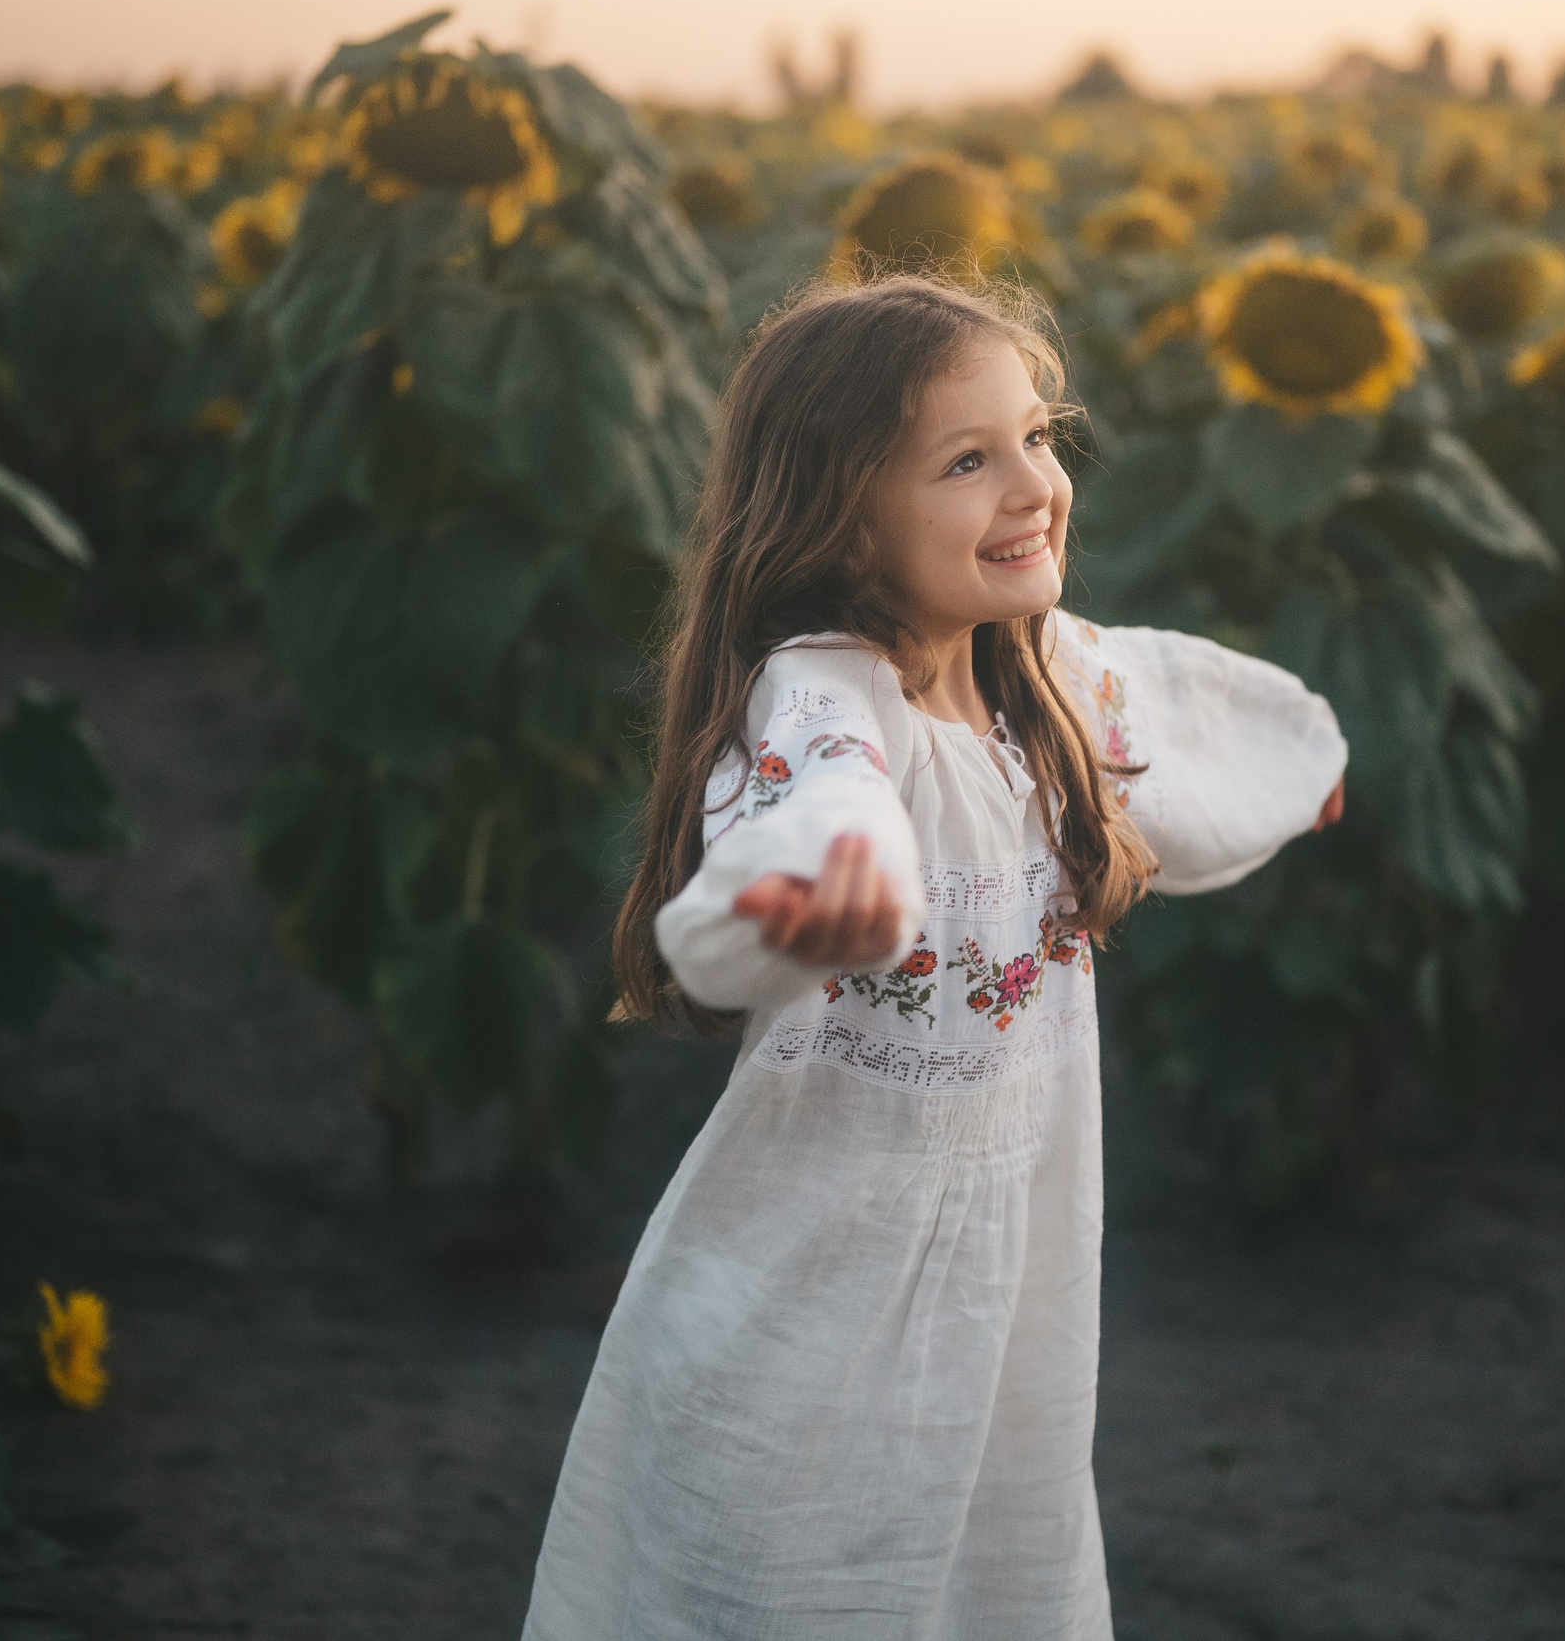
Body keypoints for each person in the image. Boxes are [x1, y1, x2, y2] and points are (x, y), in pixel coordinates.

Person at [519, 271, 1348, 1639]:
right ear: (841, 525)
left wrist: (1297, 768)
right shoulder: (832, 695)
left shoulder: (1045, 683)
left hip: (1007, 1311)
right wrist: (815, 893)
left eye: (1036, 435)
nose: (1032, 484)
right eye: (967, 461)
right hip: (809, 1328)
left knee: (988, 1586)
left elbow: (1182, 725)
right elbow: (813, 804)